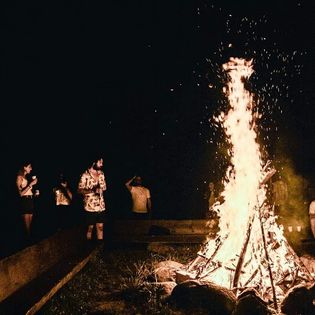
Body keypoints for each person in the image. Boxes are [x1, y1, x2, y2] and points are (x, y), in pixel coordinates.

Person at [77, 157, 107, 242]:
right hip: (89, 207)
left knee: (100, 227)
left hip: (101, 206)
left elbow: (104, 188)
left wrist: (101, 189)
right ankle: (88, 246)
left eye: (102, 162)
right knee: (90, 228)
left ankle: (99, 247)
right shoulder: (85, 175)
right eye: (100, 162)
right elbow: (79, 190)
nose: (102, 164)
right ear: (94, 162)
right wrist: (92, 190)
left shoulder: (101, 174)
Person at [15, 161, 39, 239]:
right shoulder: (19, 177)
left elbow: (28, 191)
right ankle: (27, 242)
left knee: (30, 225)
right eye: (29, 167)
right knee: (27, 227)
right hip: (24, 201)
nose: (31, 169)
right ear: (24, 167)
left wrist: (35, 193)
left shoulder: (26, 177)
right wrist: (30, 184)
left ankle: (29, 241)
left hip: (30, 200)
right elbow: (21, 193)